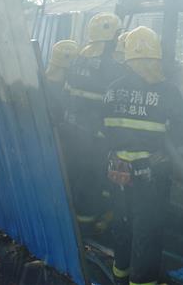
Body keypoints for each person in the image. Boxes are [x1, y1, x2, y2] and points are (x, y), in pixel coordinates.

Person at [101, 26, 183, 285]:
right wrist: (164, 143)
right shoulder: (167, 91)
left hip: (118, 173)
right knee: (147, 234)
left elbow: (104, 127)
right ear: (156, 57)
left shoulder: (113, 89)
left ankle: (120, 277)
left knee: (122, 227)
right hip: (150, 177)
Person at [63, 12, 125, 230]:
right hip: (97, 136)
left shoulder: (77, 59)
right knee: (94, 179)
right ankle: (88, 225)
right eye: (118, 34)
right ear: (111, 35)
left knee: (77, 175)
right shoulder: (114, 67)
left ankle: (76, 220)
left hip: (74, 131)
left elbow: (68, 93)